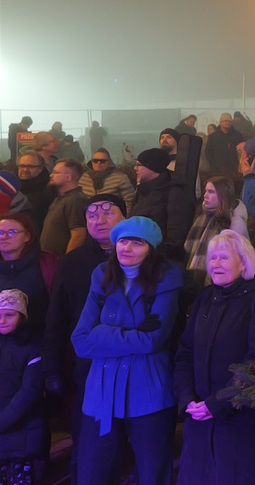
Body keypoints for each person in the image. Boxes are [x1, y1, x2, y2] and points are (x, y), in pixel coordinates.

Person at [70, 216, 183, 485]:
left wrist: (102, 333)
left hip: (148, 389)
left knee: (152, 473)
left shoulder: (166, 279)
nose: (127, 248)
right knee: (93, 472)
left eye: (137, 243)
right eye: (122, 241)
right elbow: (81, 340)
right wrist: (133, 333)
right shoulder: (101, 275)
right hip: (101, 389)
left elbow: (152, 341)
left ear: (151, 249)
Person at [174, 230, 255, 485]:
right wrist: (187, 398)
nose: (216, 264)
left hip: (241, 421)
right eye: (212, 258)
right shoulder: (204, 298)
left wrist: (218, 404)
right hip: (200, 417)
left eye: (224, 257)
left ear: (243, 263)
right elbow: (185, 352)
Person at [40, 194, 125, 484]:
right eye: (91, 216)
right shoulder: (73, 262)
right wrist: (51, 368)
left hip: (135, 368)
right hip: (87, 369)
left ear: (125, 217)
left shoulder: (145, 258)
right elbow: (57, 318)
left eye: (108, 213)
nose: (99, 221)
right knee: (88, 450)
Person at [0, 289, 48, 485]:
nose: (2, 320)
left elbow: (30, 391)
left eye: (9, 314)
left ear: (22, 316)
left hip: (23, 438)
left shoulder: (32, 347)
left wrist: (2, 421)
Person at [0, 212, 58, 338]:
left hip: (38, 339)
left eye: (12, 232)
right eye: (0, 232)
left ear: (27, 236)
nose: (4, 237)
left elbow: (59, 309)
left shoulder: (47, 264)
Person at [184, 177, 248, 284]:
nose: (205, 195)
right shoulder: (202, 216)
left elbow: (240, 259)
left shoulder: (234, 222)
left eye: (211, 192)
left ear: (223, 195)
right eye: (205, 191)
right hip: (197, 279)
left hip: (220, 281)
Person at [39, 159, 88, 256]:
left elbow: (79, 234)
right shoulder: (60, 198)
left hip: (61, 260)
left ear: (68, 177)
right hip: (51, 259)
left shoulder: (75, 199)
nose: (51, 175)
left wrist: (67, 261)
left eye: (56, 172)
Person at [78, 149, 135, 214]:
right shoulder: (84, 177)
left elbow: (129, 200)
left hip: (111, 216)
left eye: (102, 161)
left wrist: (125, 217)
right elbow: (79, 200)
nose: (98, 163)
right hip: (89, 215)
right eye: (95, 161)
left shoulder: (120, 178)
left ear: (109, 162)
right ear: (91, 162)